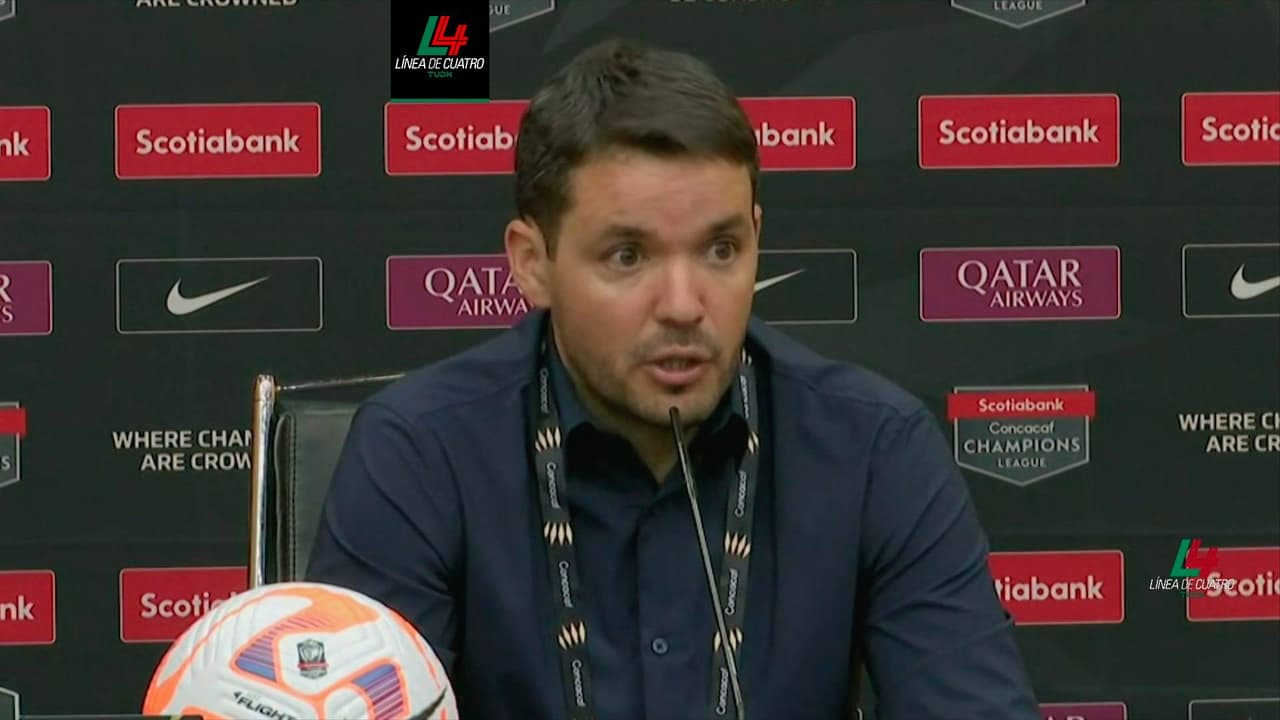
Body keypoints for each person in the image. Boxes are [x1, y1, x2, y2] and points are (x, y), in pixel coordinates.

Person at [306, 37, 1041, 720]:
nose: (685, 305)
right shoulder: (421, 452)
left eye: (721, 250)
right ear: (532, 263)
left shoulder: (875, 448)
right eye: (628, 257)